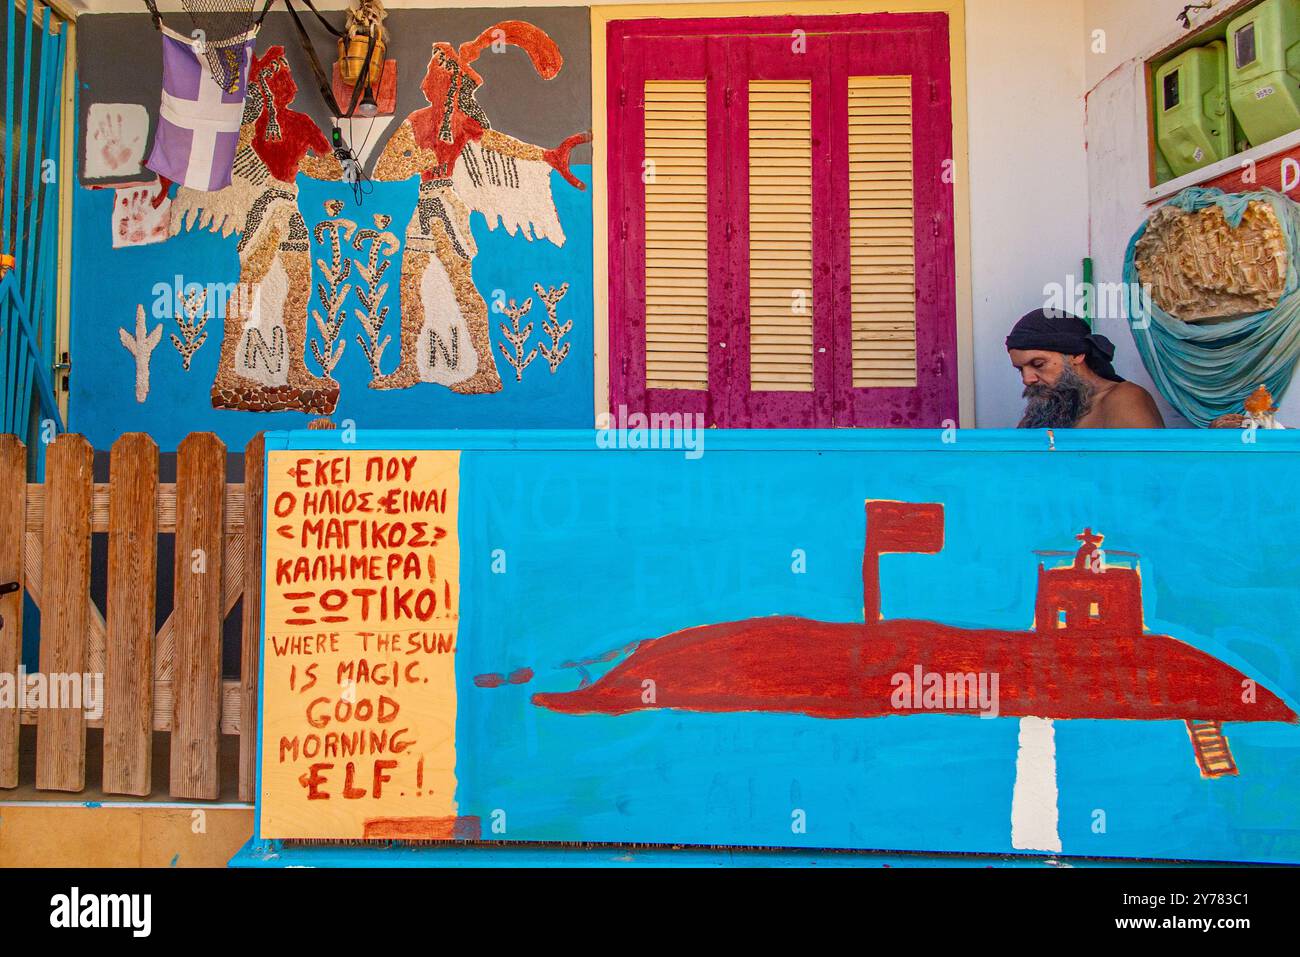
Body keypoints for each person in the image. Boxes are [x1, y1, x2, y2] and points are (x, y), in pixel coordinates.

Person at [1006, 309, 1164, 428]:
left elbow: (1144, 469)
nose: (1027, 379)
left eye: (1038, 364)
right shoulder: (1037, 416)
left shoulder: (1124, 399)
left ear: (1076, 355)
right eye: (1020, 369)